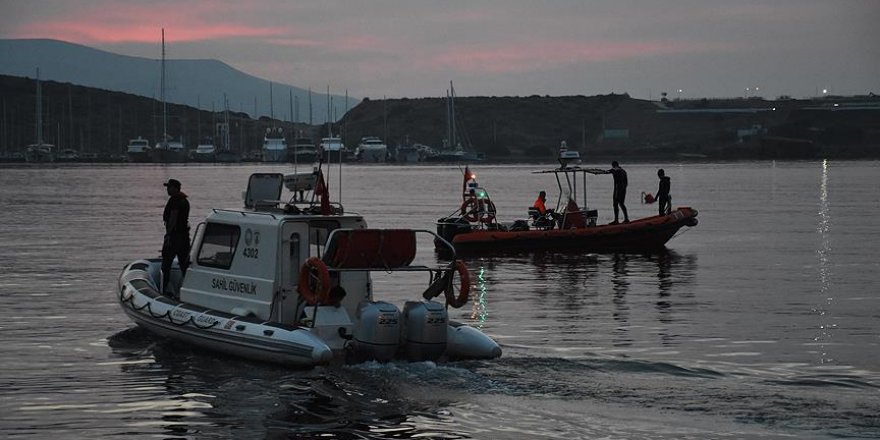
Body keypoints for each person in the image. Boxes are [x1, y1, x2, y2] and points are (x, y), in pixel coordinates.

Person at [161, 178, 190, 296]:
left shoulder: (175, 201)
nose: (167, 189)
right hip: (184, 237)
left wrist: (168, 235)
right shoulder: (184, 201)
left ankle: (165, 289)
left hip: (175, 237)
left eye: (169, 187)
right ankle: (187, 288)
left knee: (166, 263)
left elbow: (173, 217)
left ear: (175, 188)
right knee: (184, 264)